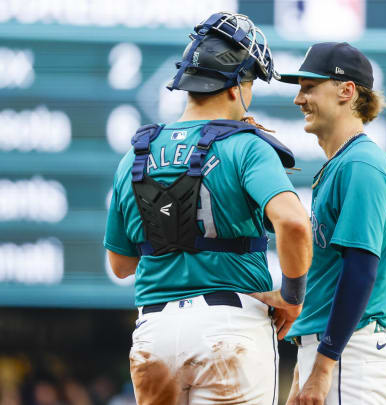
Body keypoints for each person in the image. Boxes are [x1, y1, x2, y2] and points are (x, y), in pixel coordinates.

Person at [103, 12, 312, 405]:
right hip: (230, 327)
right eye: (249, 83)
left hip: (155, 333)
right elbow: (294, 224)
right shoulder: (246, 146)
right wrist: (293, 296)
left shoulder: (136, 153)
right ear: (235, 88)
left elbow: (120, 265)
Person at [260, 42, 386, 404]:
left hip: (349, 357)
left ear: (347, 90)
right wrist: (306, 368)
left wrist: (323, 367)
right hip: (339, 352)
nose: (299, 99)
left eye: (309, 87)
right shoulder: (344, 163)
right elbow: (331, 279)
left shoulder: (361, 165)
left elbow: (360, 273)